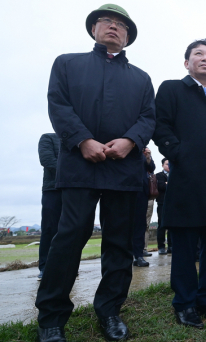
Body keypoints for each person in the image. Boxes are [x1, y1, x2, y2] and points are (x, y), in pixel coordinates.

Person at [35, 4, 155, 342]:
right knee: (69, 238)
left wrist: (131, 141)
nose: (114, 27)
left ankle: (110, 310)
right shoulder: (67, 63)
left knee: (118, 243)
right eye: (107, 21)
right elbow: (57, 104)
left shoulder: (141, 78)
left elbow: (148, 117)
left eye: (121, 25)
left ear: (129, 36)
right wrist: (83, 140)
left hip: (123, 169)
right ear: (93, 29)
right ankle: (52, 316)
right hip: (79, 165)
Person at [153, 39, 206, 329]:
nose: (205, 59)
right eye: (198, 54)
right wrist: (179, 154)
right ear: (186, 62)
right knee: (186, 247)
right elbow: (160, 125)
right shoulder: (171, 89)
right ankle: (185, 303)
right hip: (187, 182)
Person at [37, 133, 62, 281]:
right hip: (52, 189)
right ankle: (45, 267)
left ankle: (67, 266)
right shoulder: (48, 138)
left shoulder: (79, 142)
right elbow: (47, 160)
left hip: (73, 191)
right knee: (49, 228)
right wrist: (70, 175)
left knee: (71, 229)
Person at [133, 147, 155, 267]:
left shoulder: (143, 153)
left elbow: (151, 168)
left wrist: (148, 157)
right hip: (124, 188)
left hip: (141, 190)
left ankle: (138, 255)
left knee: (140, 224)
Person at [156, 158, 171, 255]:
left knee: (172, 226)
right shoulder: (158, 175)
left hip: (173, 203)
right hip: (162, 203)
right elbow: (161, 186)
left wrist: (167, 184)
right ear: (162, 165)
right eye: (166, 164)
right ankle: (161, 246)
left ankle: (171, 246)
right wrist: (168, 184)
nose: (168, 166)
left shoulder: (175, 174)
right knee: (161, 225)